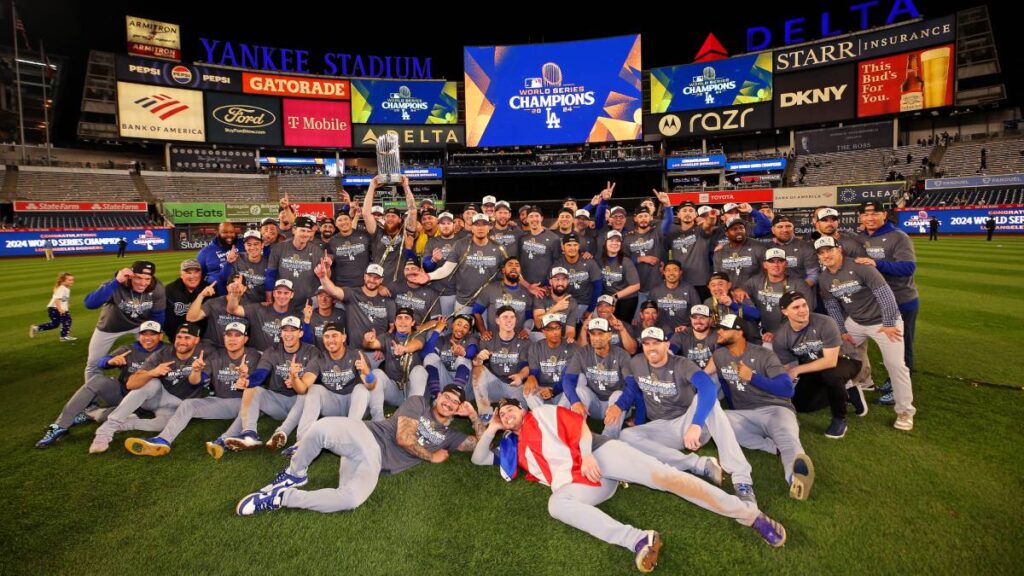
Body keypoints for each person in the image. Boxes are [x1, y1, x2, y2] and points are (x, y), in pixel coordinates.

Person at [471, 397, 787, 574]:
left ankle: (749, 515)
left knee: (668, 479)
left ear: (521, 410)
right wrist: (492, 428)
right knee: (556, 505)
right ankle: (639, 540)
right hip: (584, 486)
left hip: (598, 455)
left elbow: (578, 426)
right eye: (502, 414)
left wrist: (586, 456)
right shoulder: (514, 449)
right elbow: (478, 459)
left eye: (510, 409)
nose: (507, 414)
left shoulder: (539, 414)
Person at [234, 386, 484, 515]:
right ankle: (295, 473)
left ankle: (281, 498)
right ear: (439, 396)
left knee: (351, 499)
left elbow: (480, 444)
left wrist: (474, 417)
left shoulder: (449, 437)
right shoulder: (418, 402)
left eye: (456, 403)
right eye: (448, 397)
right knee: (320, 429)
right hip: (365, 435)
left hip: (373, 463)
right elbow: (404, 438)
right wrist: (432, 456)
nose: (450, 403)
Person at [619, 326, 758, 505]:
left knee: (709, 401)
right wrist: (632, 416)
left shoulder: (681, 363)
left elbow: (707, 387)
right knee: (626, 436)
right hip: (661, 427)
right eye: (646, 343)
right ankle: (697, 464)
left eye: (656, 343)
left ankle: (742, 479)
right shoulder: (637, 362)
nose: (651, 348)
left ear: (666, 344)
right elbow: (635, 391)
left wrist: (696, 424)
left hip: (688, 423)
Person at [814, 236, 915, 431]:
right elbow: (832, 306)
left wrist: (888, 323)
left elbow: (885, 295)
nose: (826, 255)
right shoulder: (824, 278)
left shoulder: (861, 266)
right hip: (856, 322)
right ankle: (852, 388)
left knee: (895, 365)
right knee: (832, 353)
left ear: (839, 249)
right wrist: (842, 331)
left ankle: (905, 411)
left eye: (829, 250)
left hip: (885, 322)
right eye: (821, 252)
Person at [710, 315, 816, 500]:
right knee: (718, 421)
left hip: (775, 409)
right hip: (745, 412)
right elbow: (726, 384)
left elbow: (787, 389)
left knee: (788, 438)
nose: (719, 331)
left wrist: (752, 377)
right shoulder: (719, 355)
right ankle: (771, 447)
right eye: (719, 328)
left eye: (724, 328)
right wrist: (735, 407)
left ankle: (795, 479)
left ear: (739, 332)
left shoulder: (764, 354)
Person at [123, 322, 260, 457]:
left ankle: (223, 440)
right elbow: (196, 382)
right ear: (224, 337)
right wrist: (195, 371)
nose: (232, 339)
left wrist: (248, 377)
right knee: (188, 403)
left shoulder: (254, 355)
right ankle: (163, 440)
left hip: (248, 403)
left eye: (237, 335)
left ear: (245, 339)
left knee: (247, 405)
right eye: (229, 335)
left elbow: (263, 380)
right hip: (223, 402)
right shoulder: (215, 356)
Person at [35, 321, 164, 448]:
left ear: (160, 336)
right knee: (97, 380)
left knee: (112, 418)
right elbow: (101, 362)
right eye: (144, 334)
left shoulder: (168, 350)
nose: (148, 338)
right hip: (122, 394)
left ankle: (93, 413)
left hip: (147, 401)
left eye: (152, 334)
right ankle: (60, 426)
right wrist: (110, 362)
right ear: (139, 335)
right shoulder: (129, 349)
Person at [88, 323, 206, 454]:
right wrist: (152, 372)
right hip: (160, 396)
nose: (182, 341)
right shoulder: (162, 354)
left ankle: (127, 423)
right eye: (179, 337)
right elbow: (130, 384)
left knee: (165, 424)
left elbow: (196, 382)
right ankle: (106, 430)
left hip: (178, 405)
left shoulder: (206, 353)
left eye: (187, 337)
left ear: (197, 340)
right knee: (151, 382)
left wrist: (197, 370)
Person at [216, 316, 322, 452]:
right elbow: (261, 373)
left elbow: (308, 382)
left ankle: (282, 432)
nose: (288, 334)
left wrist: (296, 380)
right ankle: (249, 434)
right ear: (281, 332)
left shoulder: (312, 351)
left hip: (301, 405)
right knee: (252, 389)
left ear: (300, 333)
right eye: (285, 330)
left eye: (293, 330)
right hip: (277, 402)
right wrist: (247, 380)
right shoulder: (272, 351)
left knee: (308, 391)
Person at [773, 291, 866, 440]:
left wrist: (797, 370)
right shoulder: (781, 336)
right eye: (796, 307)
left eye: (804, 305)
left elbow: (830, 361)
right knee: (801, 405)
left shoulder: (825, 322)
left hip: (845, 359)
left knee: (831, 375)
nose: (803, 310)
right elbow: (786, 367)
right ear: (785, 312)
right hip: (813, 366)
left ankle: (839, 419)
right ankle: (847, 392)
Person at [471, 305, 532, 416]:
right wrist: (478, 358)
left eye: (512, 317)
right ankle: (485, 413)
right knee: (478, 369)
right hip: (494, 384)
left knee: (521, 415)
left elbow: (526, 366)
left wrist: (521, 376)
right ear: (497, 320)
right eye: (505, 317)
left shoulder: (524, 340)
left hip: (515, 385)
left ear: (516, 320)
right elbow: (476, 365)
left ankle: (509, 426)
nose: (509, 320)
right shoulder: (488, 339)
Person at [163, 259, 210, 338]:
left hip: (204, 338)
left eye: (196, 272)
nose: (192, 276)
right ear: (181, 274)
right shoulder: (170, 290)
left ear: (201, 273)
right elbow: (167, 318)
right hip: (179, 338)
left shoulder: (209, 289)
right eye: (188, 272)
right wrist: (174, 337)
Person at [30, 272, 75, 342]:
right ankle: (64, 336)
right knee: (67, 320)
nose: (72, 281)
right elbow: (57, 299)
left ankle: (36, 328)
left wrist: (67, 304)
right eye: (69, 280)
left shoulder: (66, 288)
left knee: (55, 324)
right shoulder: (62, 288)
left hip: (55, 308)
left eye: (72, 280)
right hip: (55, 308)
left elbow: (64, 298)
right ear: (63, 281)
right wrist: (60, 309)